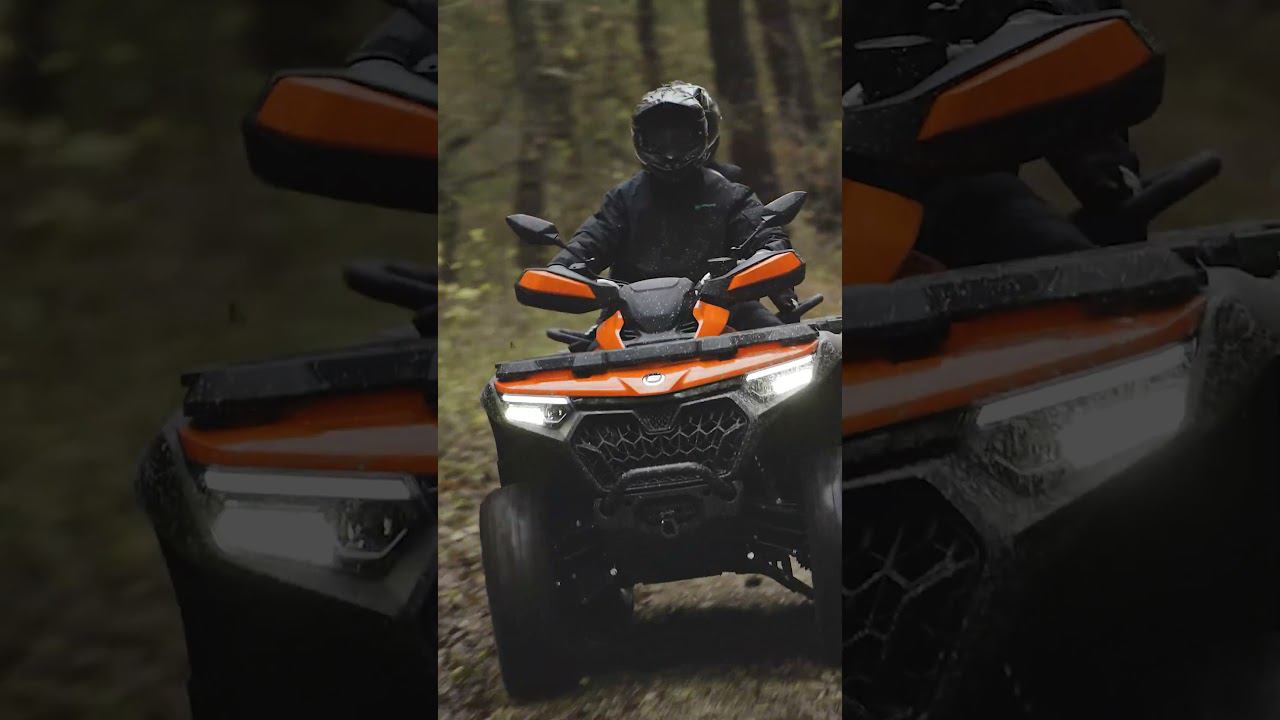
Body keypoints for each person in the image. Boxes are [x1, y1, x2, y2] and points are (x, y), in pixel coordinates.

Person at [847, 0, 1144, 267]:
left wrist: (1105, 180)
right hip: (843, 205)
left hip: (939, 191)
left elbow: (1056, 42)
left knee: (1067, 268)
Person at [549, 81, 796, 330]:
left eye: (680, 138)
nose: (670, 151)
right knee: (582, 353)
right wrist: (562, 269)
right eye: (659, 139)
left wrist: (768, 254)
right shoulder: (623, 199)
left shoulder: (729, 194)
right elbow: (589, 243)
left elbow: (766, 236)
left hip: (725, 308)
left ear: (700, 136)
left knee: (786, 341)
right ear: (641, 141)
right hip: (628, 321)